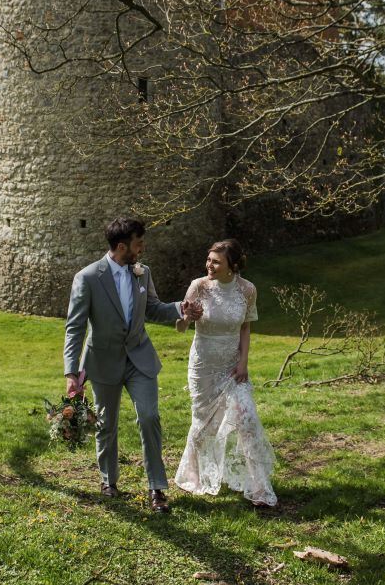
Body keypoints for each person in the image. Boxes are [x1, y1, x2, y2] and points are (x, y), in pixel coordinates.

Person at [63, 217, 202, 513]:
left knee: (150, 416)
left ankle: (156, 488)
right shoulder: (87, 278)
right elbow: (74, 328)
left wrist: (180, 308)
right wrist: (71, 372)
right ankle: (108, 481)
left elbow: (152, 308)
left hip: (140, 357)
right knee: (107, 424)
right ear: (122, 246)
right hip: (103, 361)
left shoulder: (143, 273)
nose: (142, 249)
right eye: (139, 243)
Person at [174, 239, 277, 508]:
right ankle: (195, 476)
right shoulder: (199, 286)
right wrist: (188, 318)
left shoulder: (247, 290)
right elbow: (180, 327)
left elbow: (245, 328)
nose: (209, 265)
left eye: (216, 261)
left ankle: (258, 487)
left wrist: (243, 363)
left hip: (233, 366)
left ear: (232, 265)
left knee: (247, 420)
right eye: (208, 260)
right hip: (203, 366)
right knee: (203, 423)